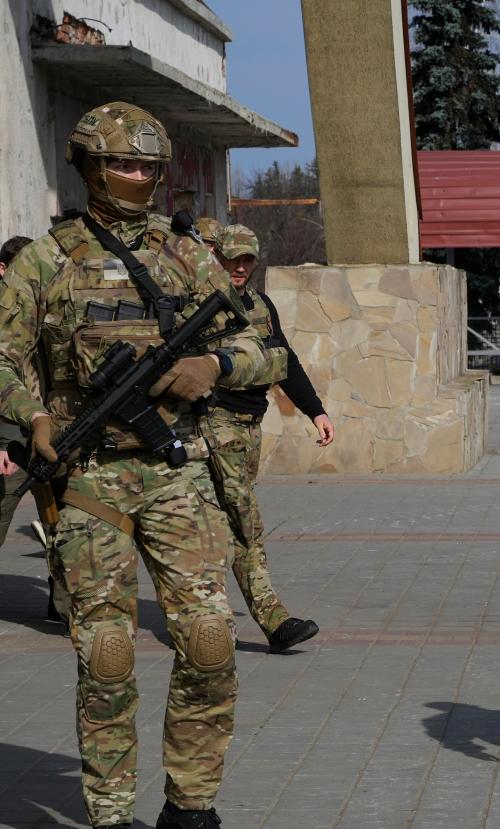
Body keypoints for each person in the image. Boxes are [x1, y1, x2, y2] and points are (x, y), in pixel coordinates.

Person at [0, 101, 284, 829]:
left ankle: (191, 803)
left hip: (176, 476)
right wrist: (32, 417)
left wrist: (211, 363)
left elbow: (267, 349)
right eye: (125, 163)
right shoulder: (45, 258)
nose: (138, 177)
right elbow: (2, 357)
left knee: (211, 641)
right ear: (91, 166)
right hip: (89, 475)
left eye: (149, 167)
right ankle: (111, 810)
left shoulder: (185, 254)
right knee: (108, 651)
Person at [206, 223, 331, 653]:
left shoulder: (259, 304)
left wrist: (315, 411)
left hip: (248, 426)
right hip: (214, 422)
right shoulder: (201, 306)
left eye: (247, 259)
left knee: (224, 520)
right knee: (244, 520)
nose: (240, 267)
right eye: (232, 258)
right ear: (216, 256)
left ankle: (207, 615)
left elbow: (285, 360)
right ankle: (271, 619)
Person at [0, 235, 68, 624]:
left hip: (55, 436)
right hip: (11, 441)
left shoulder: (48, 309)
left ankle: (63, 604)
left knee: (63, 522)